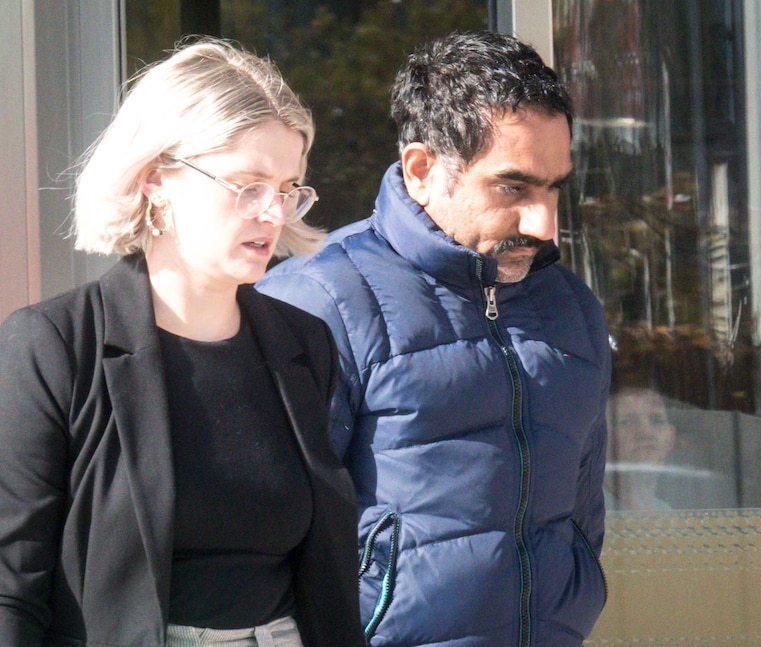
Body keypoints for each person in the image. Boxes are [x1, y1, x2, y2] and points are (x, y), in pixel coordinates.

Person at [0, 38, 365, 647]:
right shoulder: (55, 346)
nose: (272, 212)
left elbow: (325, 576)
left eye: (287, 187)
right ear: (156, 180)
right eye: (247, 184)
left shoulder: (304, 344)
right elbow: (12, 584)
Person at [257, 30, 611, 646]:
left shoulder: (570, 308)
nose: (545, 223)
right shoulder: (319, 302)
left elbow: (581, 511)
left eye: (554, 187)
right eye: (513, 187)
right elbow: (267, 543)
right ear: (422, 169)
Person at [604, 386, 676, 511]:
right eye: (626, 422)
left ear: (670, 439)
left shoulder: (674, 520)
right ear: (600, 439)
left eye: (656, 420)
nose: (645, 433)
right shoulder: (584, 519)